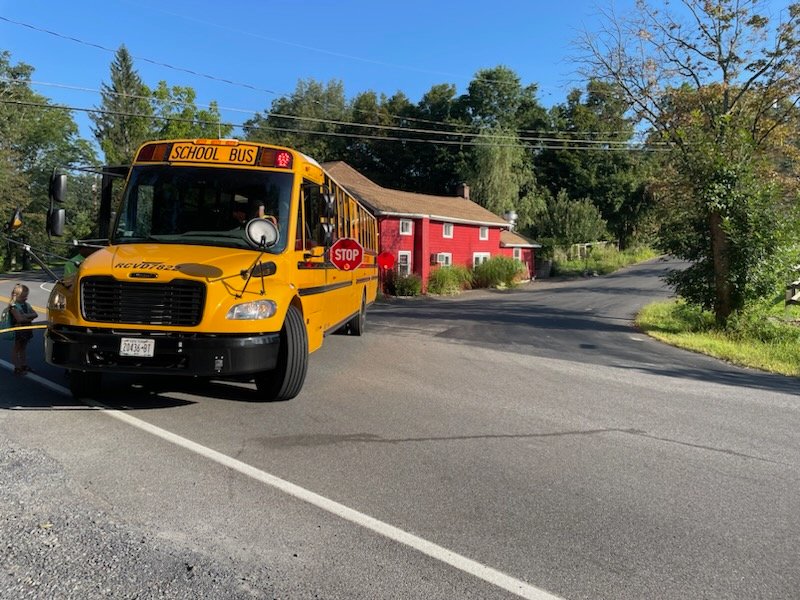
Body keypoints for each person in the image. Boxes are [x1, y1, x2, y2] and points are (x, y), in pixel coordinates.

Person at [8, 283, 38, 375]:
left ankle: (24, 365)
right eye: (23, 296)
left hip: (26, 328)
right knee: (17, 348)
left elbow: (35, 314)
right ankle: (17, 367)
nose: (26, 298)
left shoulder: (26, 304)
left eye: (26, 296)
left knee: (23, 348)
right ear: (15, 295)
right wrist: (29, 317)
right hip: (18, 329)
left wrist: (25, 316)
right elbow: (19, 319)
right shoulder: (14, 306)